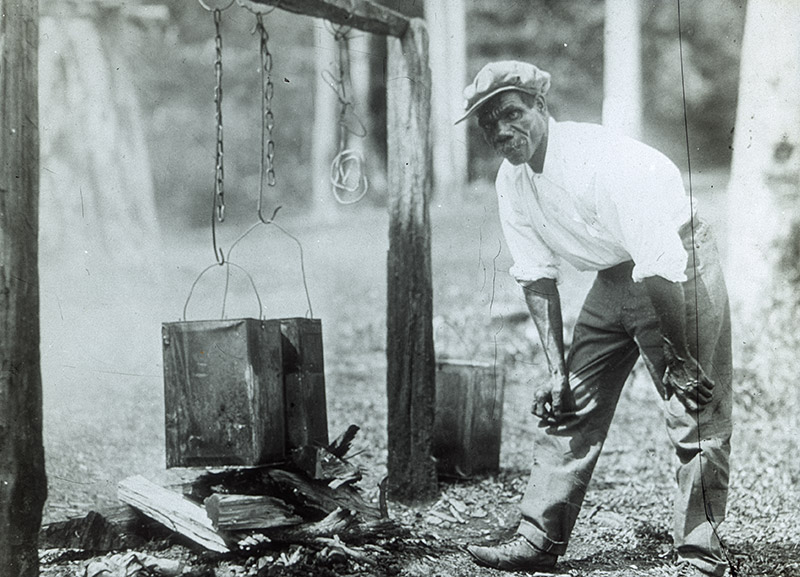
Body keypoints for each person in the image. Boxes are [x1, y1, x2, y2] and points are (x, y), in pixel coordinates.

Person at [457, 61, 733, 577]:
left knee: (694, 406)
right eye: (487, 123)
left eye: (511, 113)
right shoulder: (511, 182)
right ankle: (538, 538)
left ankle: (701, 552)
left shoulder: (599, 160)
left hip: (675, 264)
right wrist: (556, 369)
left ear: (540, 107)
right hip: (616, 273)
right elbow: (536, 276)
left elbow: (656, 262)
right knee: (571, 399)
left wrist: (678, 355)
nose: (500, 130)